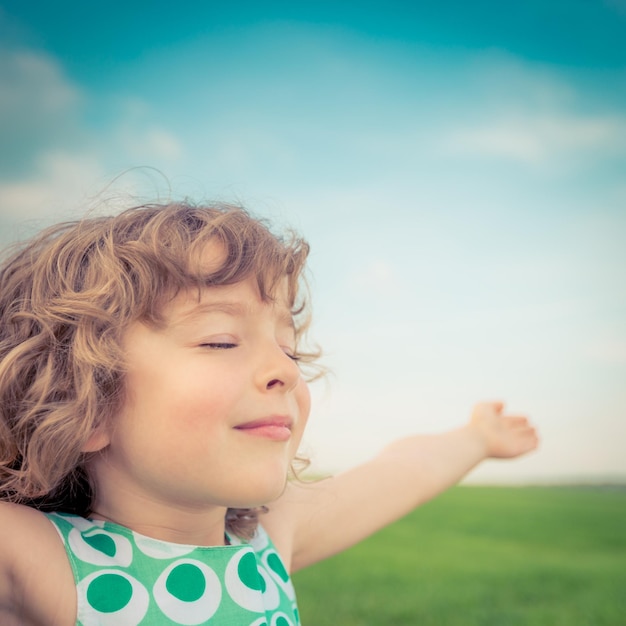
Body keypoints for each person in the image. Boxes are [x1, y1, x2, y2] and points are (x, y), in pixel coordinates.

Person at [0, 201, 538, 626]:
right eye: (219, 341)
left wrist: (476, 437)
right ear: (83, 403)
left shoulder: (270, 541)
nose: (285, 371)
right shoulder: (37, 560)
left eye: (290, 348)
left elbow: (402, 472)